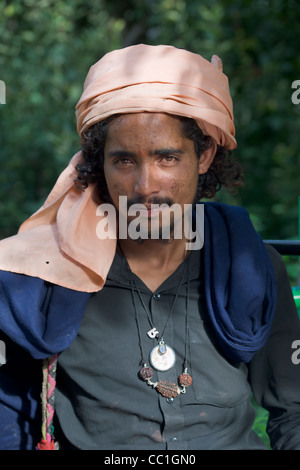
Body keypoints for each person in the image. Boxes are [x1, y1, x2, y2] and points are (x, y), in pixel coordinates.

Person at [0, 44, 300, 451]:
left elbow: (293, 410)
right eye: (124, 161)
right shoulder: (45, 279)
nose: (145, 187)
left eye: (167, 158)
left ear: (205, 155)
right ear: (98, 165)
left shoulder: (252, 266)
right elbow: (11, 413)